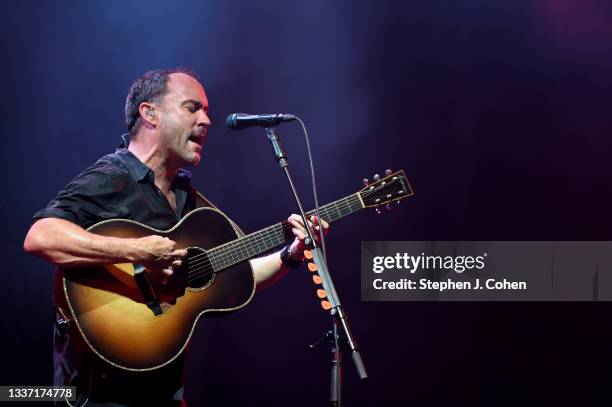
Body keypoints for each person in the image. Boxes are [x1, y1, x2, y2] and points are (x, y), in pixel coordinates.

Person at [23, 68, 328, 407]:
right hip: (98, 394)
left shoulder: (189, 202)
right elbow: (41, 236)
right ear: (149, 114)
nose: (207, 120)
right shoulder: (114, 176)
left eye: (207, 111)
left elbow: (240, 276)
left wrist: (293, 253)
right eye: (192, 107)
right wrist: (136, 250)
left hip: (164, 393)